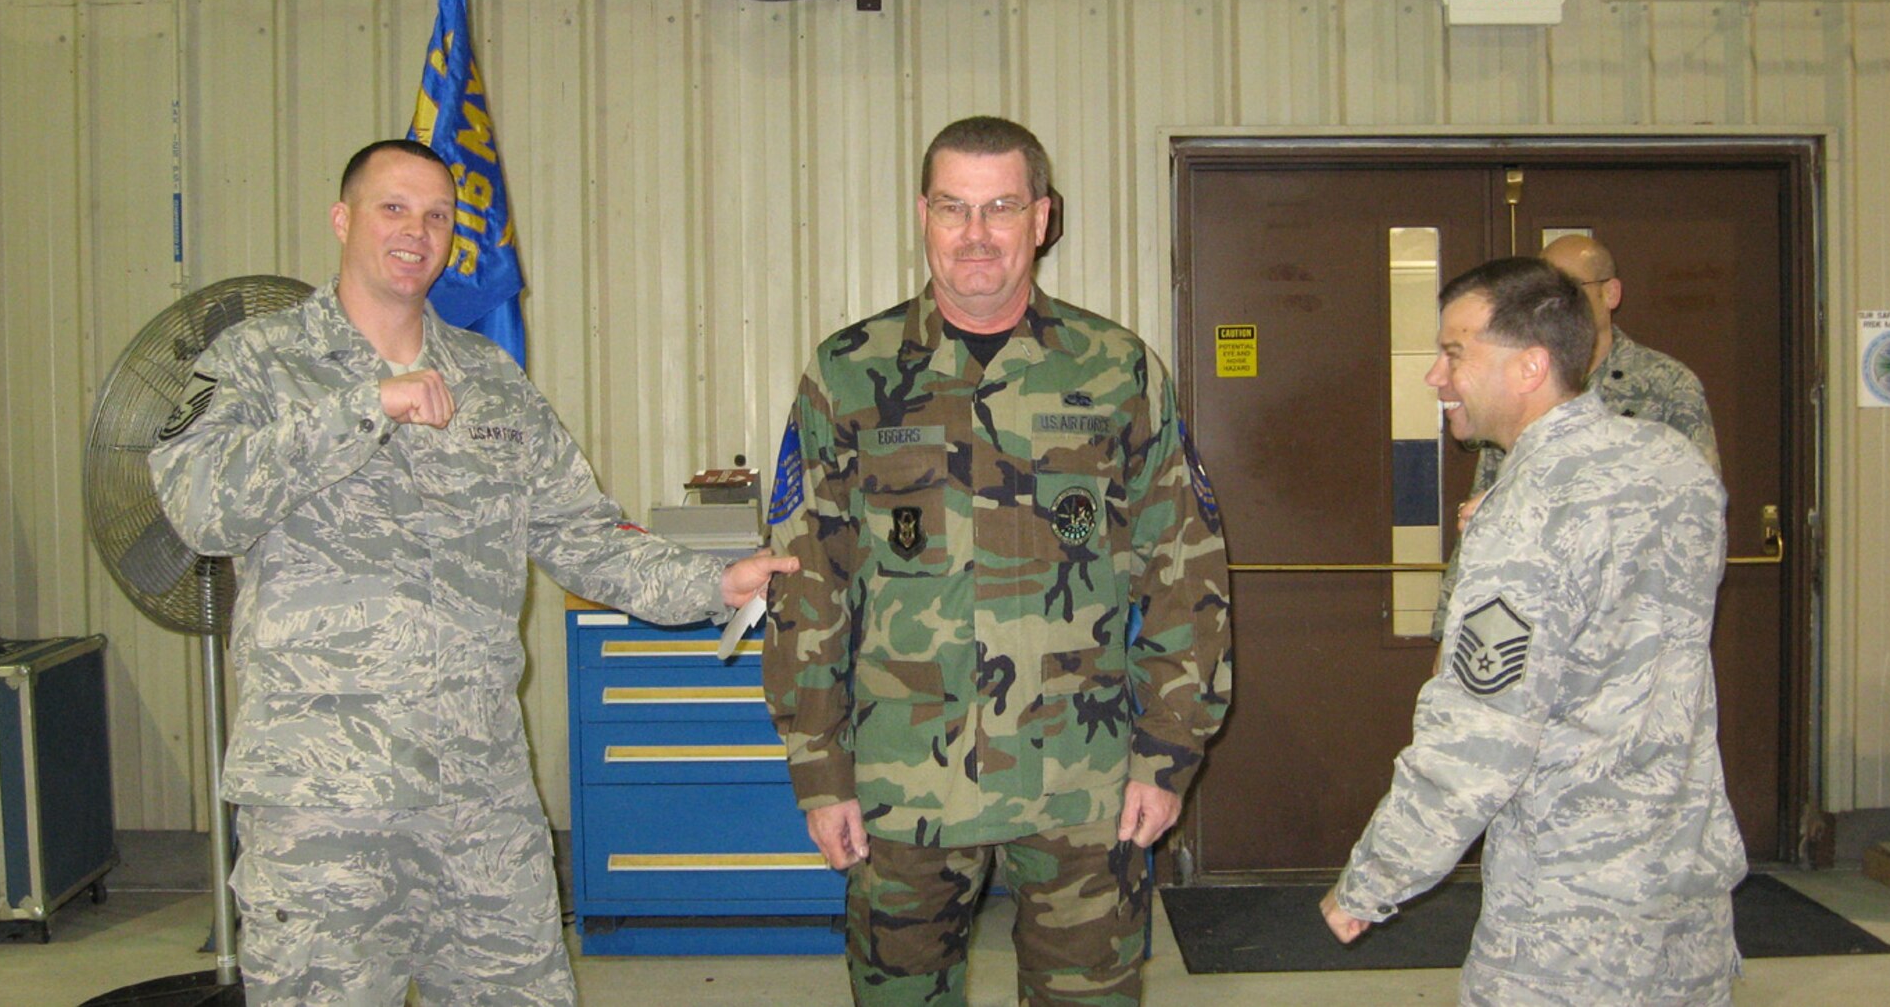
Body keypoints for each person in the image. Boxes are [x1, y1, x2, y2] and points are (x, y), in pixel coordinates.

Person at [149, 138, 795, 1006]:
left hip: (477, 795)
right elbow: (201, 507)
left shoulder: (491, 381)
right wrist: (366, 407)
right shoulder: (257, 361)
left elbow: (583, 534)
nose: (417, 231)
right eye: (393, 207)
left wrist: (713, 584)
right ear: (342, 219)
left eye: (438, 215)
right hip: (324, 805)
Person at [761, 116, 1233, 1006]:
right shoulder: (849, 373)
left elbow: (1187, 569)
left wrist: (1167, 752)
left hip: (1084, 781)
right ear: (924, 215)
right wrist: (818, 769)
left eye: (1002, 207)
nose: (976, 233)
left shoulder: (1116, 369)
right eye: (954, 207)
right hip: (902, 781)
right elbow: (806, 581)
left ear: (1041, 218)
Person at [1322, 257, 1744, 1005]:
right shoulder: (1673, 465)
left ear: (1531, 366)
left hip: (1569, 920)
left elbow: (1479, 741)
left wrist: (1375, 879)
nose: (1436, 376)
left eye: (1455, 353)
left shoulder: (1527, 512)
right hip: (1687, 892)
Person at [1429, 234, 1720, 638]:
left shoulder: (1666, 383)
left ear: (1611, 293)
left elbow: (1692, 516)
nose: (1551, 298)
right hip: (1505, 590)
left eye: (1568, 285)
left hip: (1612, 622)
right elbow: (1491, 483)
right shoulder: (1509, 382)